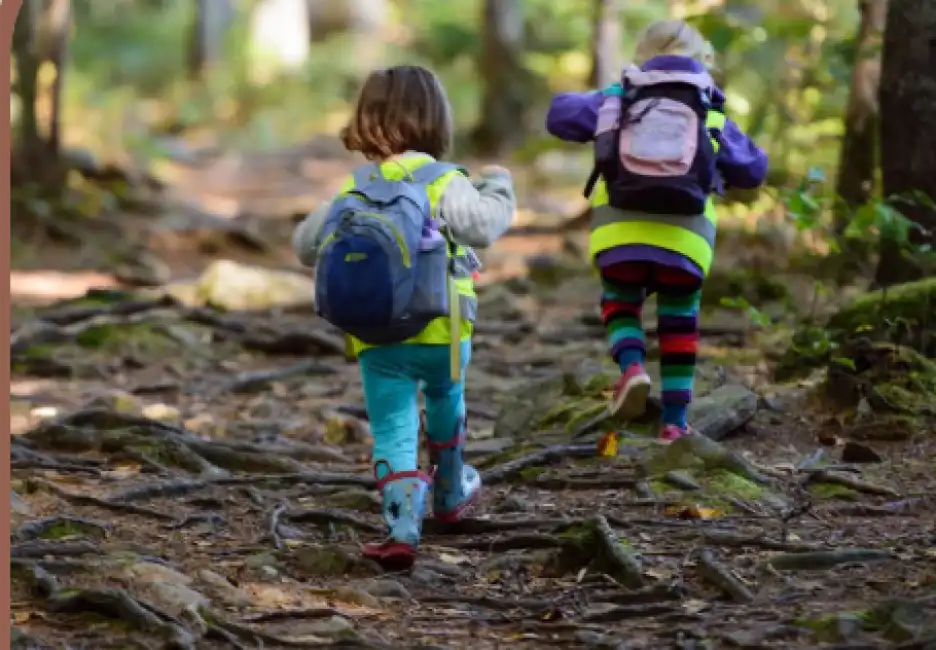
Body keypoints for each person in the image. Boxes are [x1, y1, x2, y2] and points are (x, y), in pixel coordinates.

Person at [292, 65, 516, 569]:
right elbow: (482, 227)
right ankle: (451, 492)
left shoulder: (355, 191)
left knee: (392, 426)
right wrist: (500, 187)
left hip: (376, 335)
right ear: (436, 119)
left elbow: (304, 247)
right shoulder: (445, 181)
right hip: (445, 328)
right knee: (446, 401)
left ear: (365, 122)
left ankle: (400, 527)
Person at [545, 20, 768, 442]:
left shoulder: (620, 96)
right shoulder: (710, 107)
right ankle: (675, 422)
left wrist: (608, 102)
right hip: (687, 237)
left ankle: (631, 368)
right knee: (679, 320)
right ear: (702, 60)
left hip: (619, 231)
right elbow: (753, 170)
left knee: (620, 304)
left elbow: (558, 117)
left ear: (641, 56)